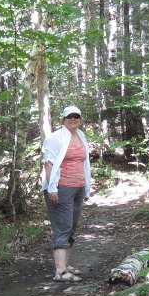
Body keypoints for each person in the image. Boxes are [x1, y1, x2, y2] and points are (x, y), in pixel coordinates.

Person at [42, 105, 92, 282]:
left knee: (71, 227)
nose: (73, 119)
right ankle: (60, 272)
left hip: (78, 188)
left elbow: (85, 164)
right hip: (61, 188)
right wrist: (52, 188)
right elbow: (48, 163)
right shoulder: (55, 137)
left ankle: (65, 265)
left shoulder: (81, 135)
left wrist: (86, 188)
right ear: (63, 119)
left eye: (76, 116)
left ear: (80, 118)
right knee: (62, 227)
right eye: (69, 116)